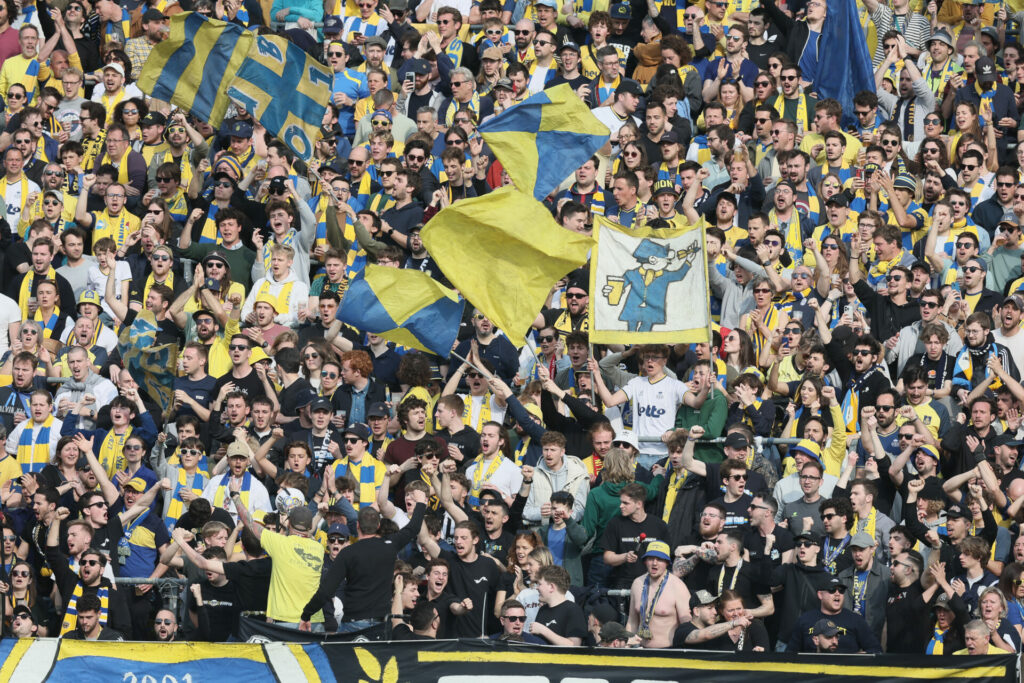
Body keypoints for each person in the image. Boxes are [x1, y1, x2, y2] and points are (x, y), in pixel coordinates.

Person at [626, 540, 690, 648]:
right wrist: (628, 645)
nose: (654, 563)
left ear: (666, 562)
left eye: (659, 559)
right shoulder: (637, 583)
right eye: (651, 559)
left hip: (668, 652)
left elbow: (686, 625)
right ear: (645, 561)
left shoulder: (678, 586)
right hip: (640, 651)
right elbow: (632, 621)